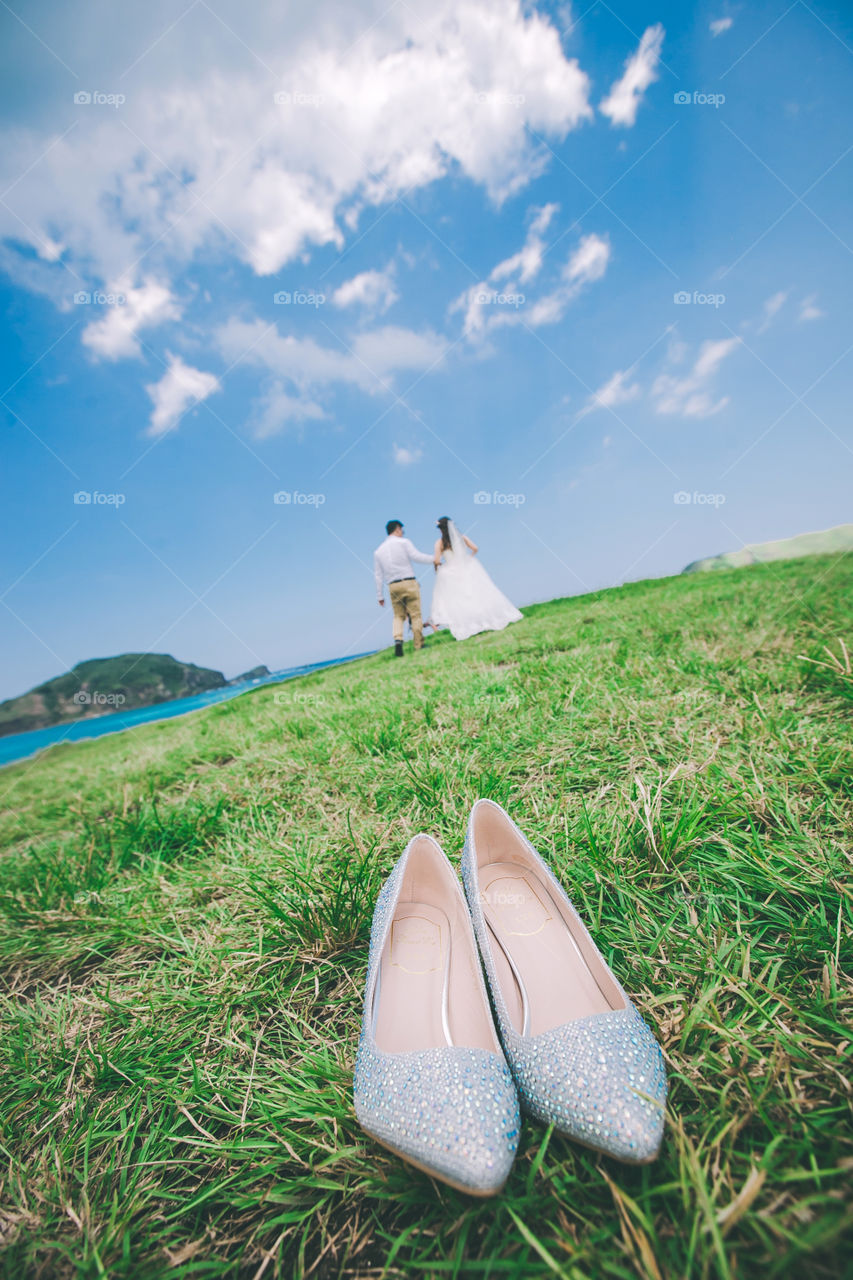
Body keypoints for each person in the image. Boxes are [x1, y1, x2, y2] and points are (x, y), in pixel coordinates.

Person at [429, 516, 522, 641]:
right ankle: (486, 620)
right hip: (467, 568)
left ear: (441, 529)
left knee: (460, 599)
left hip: (451, 572)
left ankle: (469, 625)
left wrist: (438, 566)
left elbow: (436, 560)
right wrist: (468, 559)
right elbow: (475, 548)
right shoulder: (462, 538)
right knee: (477, 594)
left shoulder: (439, 543)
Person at [373, 519, 438, 656]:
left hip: (393, 586)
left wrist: (379, 595)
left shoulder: (378, 551)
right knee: (415, 615)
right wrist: (435, 559)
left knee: (398, 616)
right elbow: (417, 556)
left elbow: (378, 575)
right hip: (409, 582)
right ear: (397, 529)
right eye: (402, 530)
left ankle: (398, 639)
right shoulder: (404, 543)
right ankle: (418, 645)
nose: (402, 533)